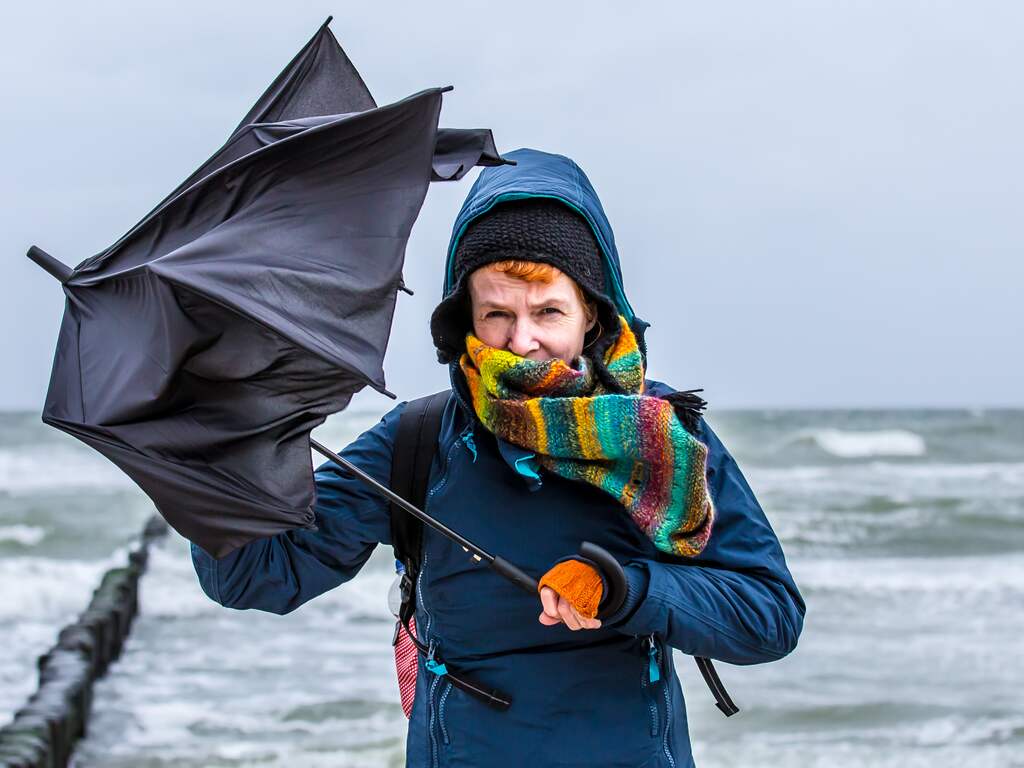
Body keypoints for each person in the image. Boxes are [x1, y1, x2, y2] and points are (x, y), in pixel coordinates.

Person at [190, 148, 805, 767]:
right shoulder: (417, 439)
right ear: (466, 317)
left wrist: (625, 589)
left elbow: (769, 616)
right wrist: (226, 441)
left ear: (591, 311)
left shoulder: (665, 437)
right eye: (497, 315)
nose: (522, 341)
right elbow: (256, 575)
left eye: (548, 312)